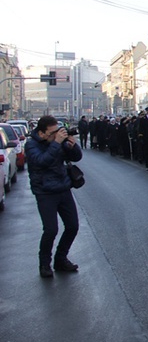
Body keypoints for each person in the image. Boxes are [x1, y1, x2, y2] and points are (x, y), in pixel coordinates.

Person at [25, 115, 84, 278]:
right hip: (45, 192)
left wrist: (72, 146)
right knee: (51, 230)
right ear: (42, 133)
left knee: (72, 226)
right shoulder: (31, 145)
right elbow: (41, 161)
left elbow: (76, 157)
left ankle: (61, 258)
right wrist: (57, 143)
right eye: (52, 133)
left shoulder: (57, 142)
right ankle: (44, 264)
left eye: (57, 132)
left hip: (63, 188)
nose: (55, 135)